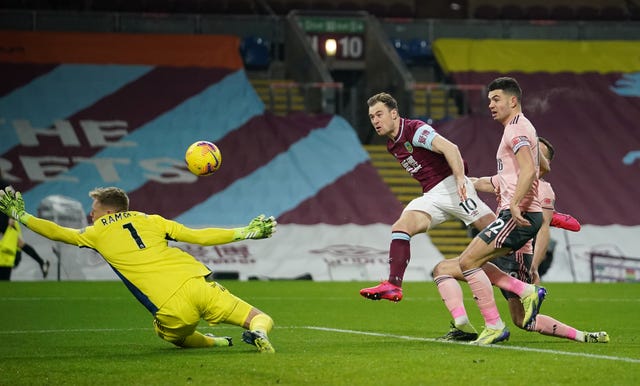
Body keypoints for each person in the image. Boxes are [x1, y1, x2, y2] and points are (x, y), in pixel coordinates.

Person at [0, 186, 278, 353]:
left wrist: (21, 215)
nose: (91, 215)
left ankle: (217, 343)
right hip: (197, 282)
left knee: (169, 334)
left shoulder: (97, 232)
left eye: (94, 210)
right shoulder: (153, 220)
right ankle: (259, 333)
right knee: (258, 317)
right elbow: (200, 236)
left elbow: (58, 232)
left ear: (108, 213)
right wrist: (247, 232)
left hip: (169, 307)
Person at [433, 137, 609, 343]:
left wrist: (534, 267)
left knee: (523, 321)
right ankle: (465, 325)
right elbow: (479, 182)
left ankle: (585, 336)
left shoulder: (542, 190)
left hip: (516, 256)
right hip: (498, 246)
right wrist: (450, 183)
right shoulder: (508, 178)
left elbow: (543, 230)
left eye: (538, 153)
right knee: (443, 269)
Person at [359, 92, 496, 302]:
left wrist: (460, 179)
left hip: (453, 187)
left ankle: (523, 271)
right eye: (372, 117)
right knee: (401, 227)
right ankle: (393, 285)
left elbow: (451, 148)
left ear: (394, 113)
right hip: (432, 195)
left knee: (497, 233)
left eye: (379, 114)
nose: (375, 121)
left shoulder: (414, 129)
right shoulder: (391, 144)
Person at [453, 76, 548, 345]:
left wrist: (516, 203)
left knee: (467, 261)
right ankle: (522, 294)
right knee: (474, 262)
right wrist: (467, 183)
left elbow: (529, 170)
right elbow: (517, 175)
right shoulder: (520, 128)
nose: (491, 105)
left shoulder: (515, 130)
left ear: (513, 100)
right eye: (489, 101)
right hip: (519, 212)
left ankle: (496, 324)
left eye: (496, 99)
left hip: (518, 214)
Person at [0, 172, 49, 279]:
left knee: (15, 244)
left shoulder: (3, 183)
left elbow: (13, 197)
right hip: (4, 219)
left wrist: (12, 218)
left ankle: (41, 262)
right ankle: (42, 262)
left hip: (5, 219)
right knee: (18, 243)